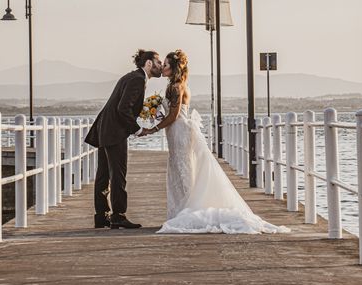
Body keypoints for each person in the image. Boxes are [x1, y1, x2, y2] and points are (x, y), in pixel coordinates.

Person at [141, 49, 289, 234]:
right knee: (180, 169)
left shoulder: (176, 87)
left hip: (179, 132)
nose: (162, 67)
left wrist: (152, 129)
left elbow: (173, 115)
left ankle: (186, 212)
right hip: (176, 131)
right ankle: (181, 211)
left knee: (182, 170)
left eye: (165, 65)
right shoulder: (179, 85)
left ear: (174, 68)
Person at [85, 49, 163, 229]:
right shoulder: (137, 79)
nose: (160, 66)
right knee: (118, 174)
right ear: (149, 63)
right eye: (158, 62)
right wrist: (137, 130)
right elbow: (123, 109)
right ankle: (118, 215)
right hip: (114, 132)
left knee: (103, 174)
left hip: (106, 129)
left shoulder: (132, 77)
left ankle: (101, 215)